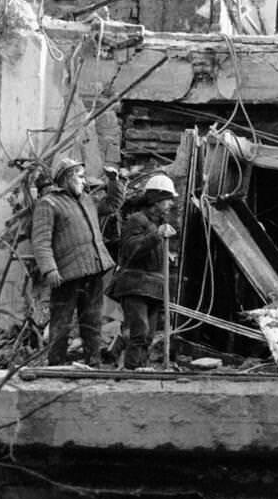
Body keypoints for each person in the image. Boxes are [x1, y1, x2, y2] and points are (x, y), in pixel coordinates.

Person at [31, 156, 115, 366]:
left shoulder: (86, 200)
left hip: (93, 268)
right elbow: (41, 241)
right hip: (66, 274)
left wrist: (115, 182)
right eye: (80, 176)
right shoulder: (48, 203)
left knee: (92, 320)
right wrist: (50, 270)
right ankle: (56, 364)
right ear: (67, 178)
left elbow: (112, 204)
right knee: (62, 321)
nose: (84, 181)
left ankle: (93, 364)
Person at [107, 172, 178, 369]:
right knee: (140, 331)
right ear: (156, 200)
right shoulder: (136, 220)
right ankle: (131, 369)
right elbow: (131, 249)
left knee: (147, 335)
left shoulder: (157, 223)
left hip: (153, 287)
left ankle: (141, 368)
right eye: (167, 200)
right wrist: (156, 236)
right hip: (135, 284)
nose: (170, 204)